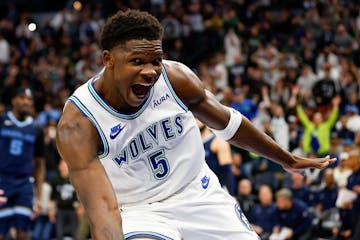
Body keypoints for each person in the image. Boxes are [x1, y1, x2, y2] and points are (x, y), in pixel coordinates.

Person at [56, 9, 336, 240]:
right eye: (137, 61)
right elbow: (103, 209)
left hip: (198, 192)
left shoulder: (175, 79)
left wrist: (286, 159)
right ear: (109, 60)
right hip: (138, 210)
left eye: (156, 60)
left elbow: (229, 125)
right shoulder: (79, 123)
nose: (150, 71)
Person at [0, 88, 45, 240]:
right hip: (2, 181)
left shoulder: (37, 128)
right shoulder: (2, 120)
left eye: (29, 99)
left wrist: (38, 195)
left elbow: (40, 163)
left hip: (24, 184)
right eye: (22, 97)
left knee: (23, 231)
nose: (26, 102)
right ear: (13, 100)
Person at [197, 119, 235, 195]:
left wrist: (231, 194)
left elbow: (227, 171)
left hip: (217, 189)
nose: (195, 121)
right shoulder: (193, 144)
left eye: (197, 118)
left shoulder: (217, 141)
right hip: (200, 190)